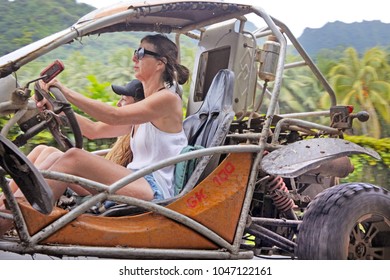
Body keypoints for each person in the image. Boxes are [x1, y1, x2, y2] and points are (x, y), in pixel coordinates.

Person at [0, 34, 189, 235]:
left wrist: (65, 91)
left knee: (74, 157)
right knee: (46, 151)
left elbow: (113, 115)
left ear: (160, 63)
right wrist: (57, 111)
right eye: (136, 52)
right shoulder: (146, 107)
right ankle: (5, 211)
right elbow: (93, 130)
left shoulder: (168, 100)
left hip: (154, 189)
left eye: (141, 53)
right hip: (135, 180)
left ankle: (12, 221)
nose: (134, 58)